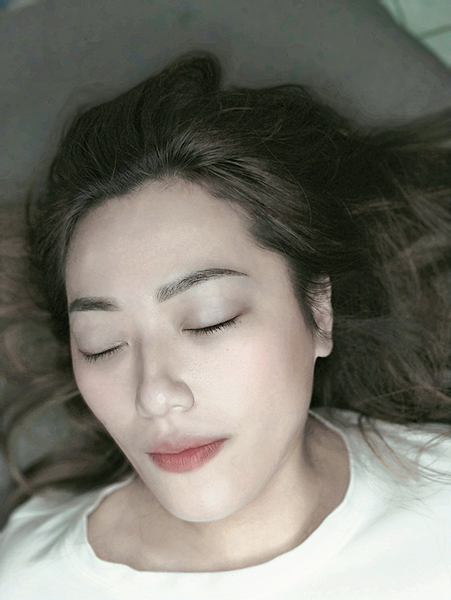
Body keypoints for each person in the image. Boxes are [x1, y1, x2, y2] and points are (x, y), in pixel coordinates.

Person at [0, 51, 450, 599]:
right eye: (102, 345)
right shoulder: (30, 582)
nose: (155, 395)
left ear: (319, 310)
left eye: (210, 321)